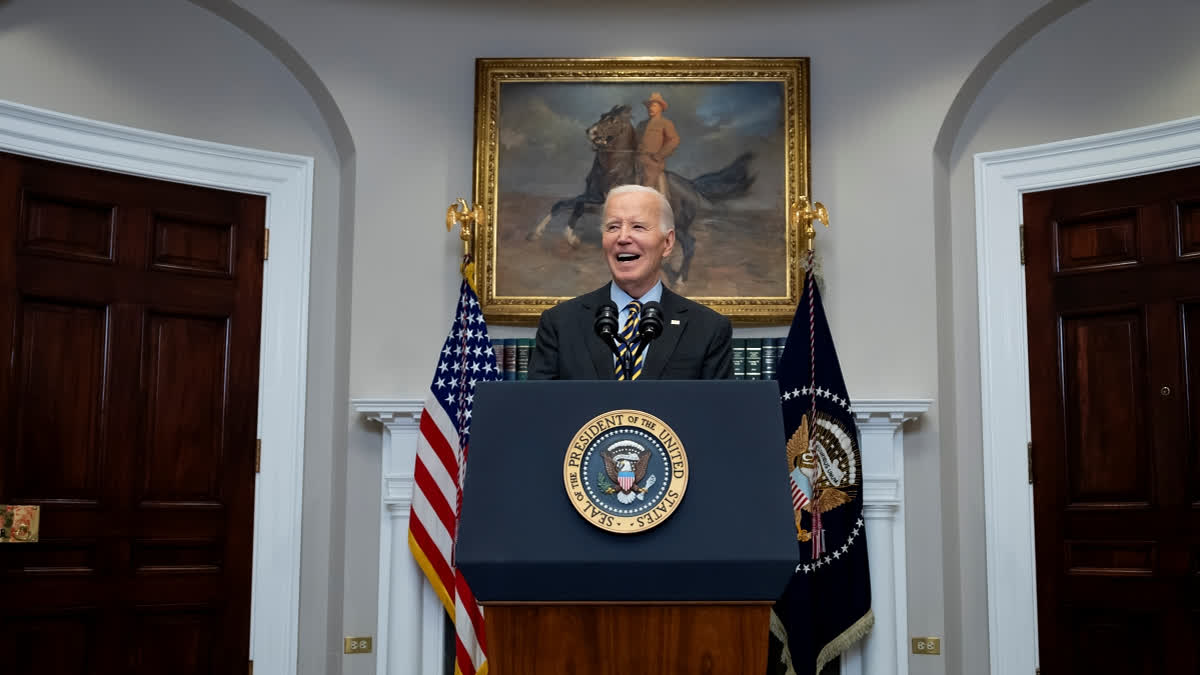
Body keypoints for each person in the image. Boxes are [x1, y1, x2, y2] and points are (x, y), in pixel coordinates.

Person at [528, 184, 732, 380]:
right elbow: (542, 408)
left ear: (668, 243)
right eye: (613, 227)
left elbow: (716, 411)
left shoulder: (707, 328)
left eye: (638, 226)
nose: (623, 237)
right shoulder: (560, 324)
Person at [635, 92, 680, 199]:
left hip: (652, 162)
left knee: (646, 189)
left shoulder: (665, 123)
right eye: (649, 106)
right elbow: (634, 141)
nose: (650, 108)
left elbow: (674, 140)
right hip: (636, 160)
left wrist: (659, 156)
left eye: (654, 105)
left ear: (661, 108)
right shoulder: (641, 124)